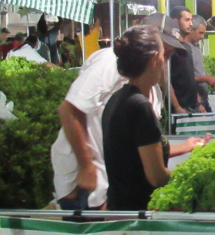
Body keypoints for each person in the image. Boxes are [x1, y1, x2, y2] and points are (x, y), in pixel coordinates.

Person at [51, 13, 184, 211]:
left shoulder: (140, 90)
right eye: (166, 52)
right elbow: (69, 110)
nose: (165, 60)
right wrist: (86, 166)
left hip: (112, 184)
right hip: (89, 181)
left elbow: (145, 146)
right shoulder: (108, 64)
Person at [102, 24, 209, 211]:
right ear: (154, 60)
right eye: (163, 57)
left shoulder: (118, 98)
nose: (164, 63)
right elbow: (157, 176)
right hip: (138, 214)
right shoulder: (140, 107)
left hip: (119, 206)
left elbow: (142, 152)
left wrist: (189, 145)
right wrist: (196, 176)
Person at [184, 15, 215, 112]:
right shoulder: (184, 49)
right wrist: (206, 79)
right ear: (191, 30)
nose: (202, 36)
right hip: (194, 101)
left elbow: (199, 69)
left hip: (203, 99)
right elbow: (186, 78)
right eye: (200, 33)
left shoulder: (196, 47)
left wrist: (211, 78)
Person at [168, 6, 203, 113]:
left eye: (191, 20)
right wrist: (177, 107)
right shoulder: (170, 47)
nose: (191, 24)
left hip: (193, 106)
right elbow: (166, 80)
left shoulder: (187, 47)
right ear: (175, 21)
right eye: (187, 20)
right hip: (180, 108)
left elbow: (190, 77)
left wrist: (199, 103)